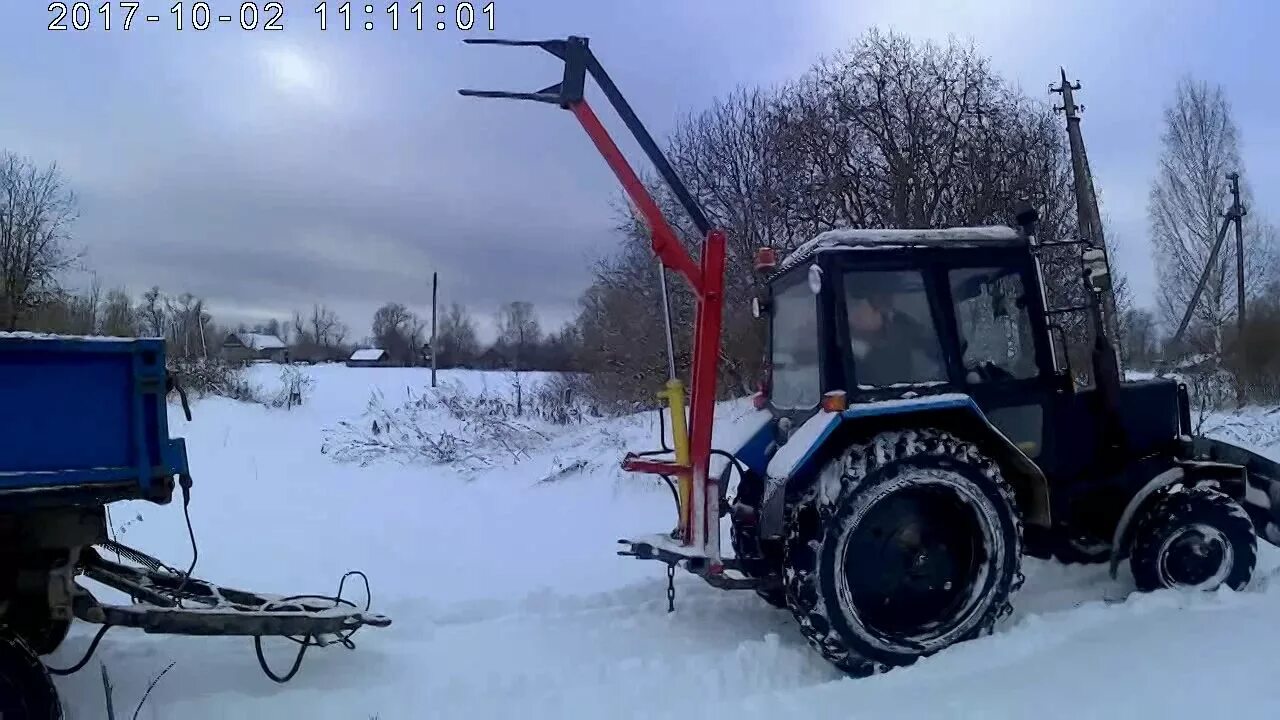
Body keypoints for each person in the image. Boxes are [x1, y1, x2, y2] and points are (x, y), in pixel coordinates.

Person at [847, 288, 943, 387]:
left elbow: (928, 344)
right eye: (879, 293)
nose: (886, 297)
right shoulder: (850, 352)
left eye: (888, 292)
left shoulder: (901, 321)